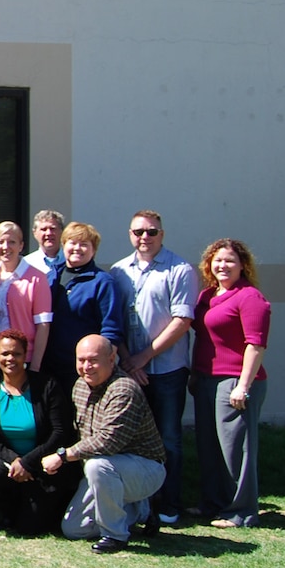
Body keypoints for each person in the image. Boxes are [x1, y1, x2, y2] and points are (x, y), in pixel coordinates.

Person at [110, 211, 199, 527]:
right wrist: (128, 360)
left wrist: (143, 358)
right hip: (129, 369)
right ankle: (139, 502)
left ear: (162, 234)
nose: (144, 237)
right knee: (133, 440)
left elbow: (182, 321)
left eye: (151, 232)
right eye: (138, 232)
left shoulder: (180, 270)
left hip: (167, 370)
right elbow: (114, 321)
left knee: (169, 438)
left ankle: (169, 503)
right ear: (129, 234)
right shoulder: (119, 271)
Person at [41, 336, 167, 553]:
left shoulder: (124, 389)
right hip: (106, 472)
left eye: (93, 361)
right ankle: (142, 510)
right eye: (81, 360)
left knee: (97, 465)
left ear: (112, 359)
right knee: (74, 529)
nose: (86, 367)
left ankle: (115, 536)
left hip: (145, 468)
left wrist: (61, 456)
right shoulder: (80, 385)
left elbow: (108, 442)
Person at [190, 238, 271, 529]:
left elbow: (256, 345)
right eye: (218, 260)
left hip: (235, 381)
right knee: (209, 446)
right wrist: (196, 374)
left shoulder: (250, 297)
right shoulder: (207, 296)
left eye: (230, 261)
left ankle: (242, 511)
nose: (223, 265)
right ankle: (213, 503)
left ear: (243, 265)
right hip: (206, 380)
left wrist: (243, 385)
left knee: (236, 449)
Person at [0, 331, 79, 533]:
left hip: (43, 465)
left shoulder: (47, 385)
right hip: (10, 463)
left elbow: (60, 432)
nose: (10, 359)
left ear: (25, 355)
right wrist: (15, 460)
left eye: (17, 354)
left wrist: (28, 462)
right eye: (5, 354)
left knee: (30, 529)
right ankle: (10, 510)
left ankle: (32, 508)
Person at [42, 222, 124, 393]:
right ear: (64, 245)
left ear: (94, 250)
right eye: (72, 242)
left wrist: (102, 371)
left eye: (84, 244)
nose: (77, 248)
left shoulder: (102, 282)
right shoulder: (51, 277)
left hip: (83, 370)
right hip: (49, 366)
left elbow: (111, 330)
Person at [0, 221, 53, 373]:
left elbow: (43, 325)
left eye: (12, 242)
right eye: (1, 242)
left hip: (23, 357)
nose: (6, 247)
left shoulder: (37, 278)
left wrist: (35, 366)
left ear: (21, 246)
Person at [23, 209, 67, 277]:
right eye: (43, 229)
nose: (48, 233)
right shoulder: (26, 264)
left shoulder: (70, 260)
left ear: (62, 231)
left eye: (52, 229)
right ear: (35, 233)